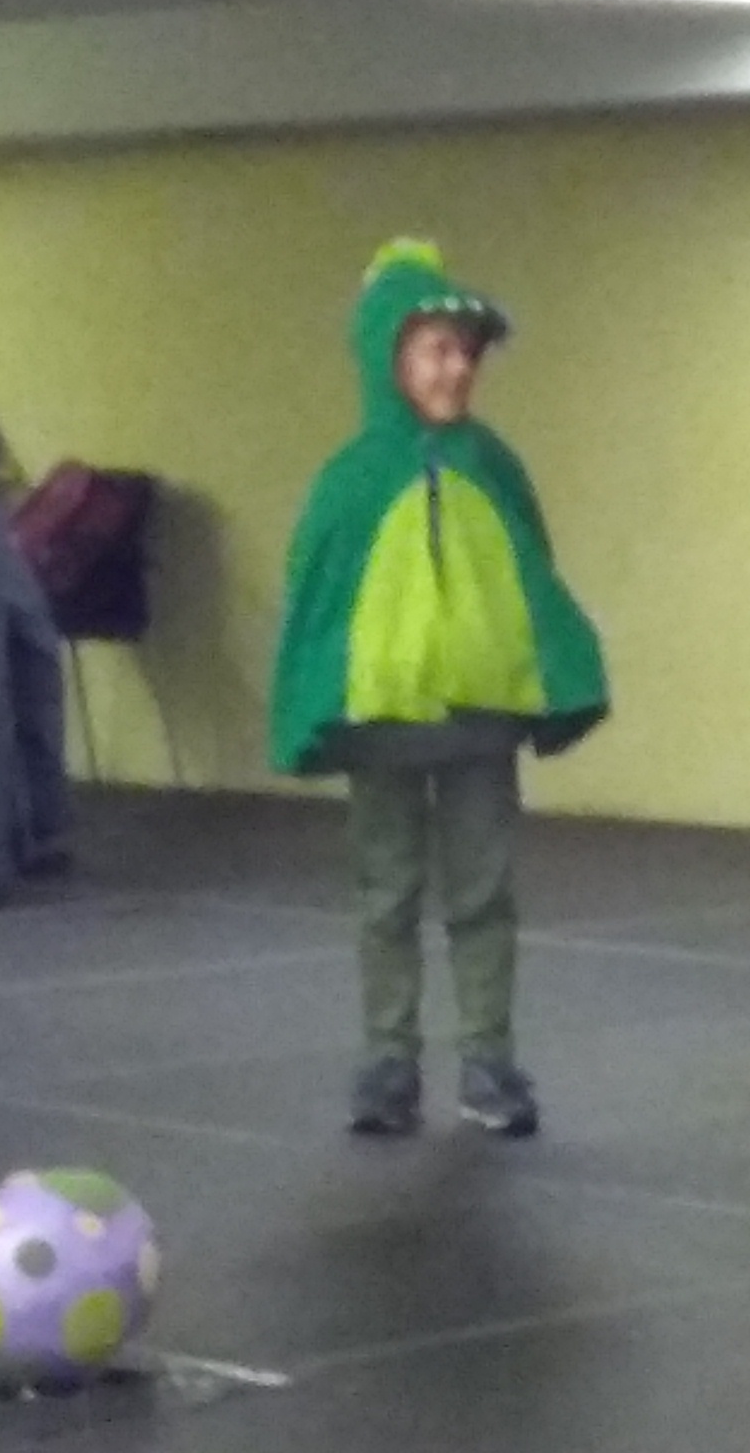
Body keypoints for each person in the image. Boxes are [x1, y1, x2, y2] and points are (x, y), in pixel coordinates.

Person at [267, 239, 607, 1139]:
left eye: (467, 353)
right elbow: (319, 596)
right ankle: (390, 1058)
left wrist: (555, 678)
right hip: (382, 723)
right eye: (436, 351)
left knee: (483, 892)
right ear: (389, 358)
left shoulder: (492, 466)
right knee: (385, 893)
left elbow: (532, 577)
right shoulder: (351, 480)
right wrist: (314, 702)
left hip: (480, 721)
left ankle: (488, 1059)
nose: (457, 369)